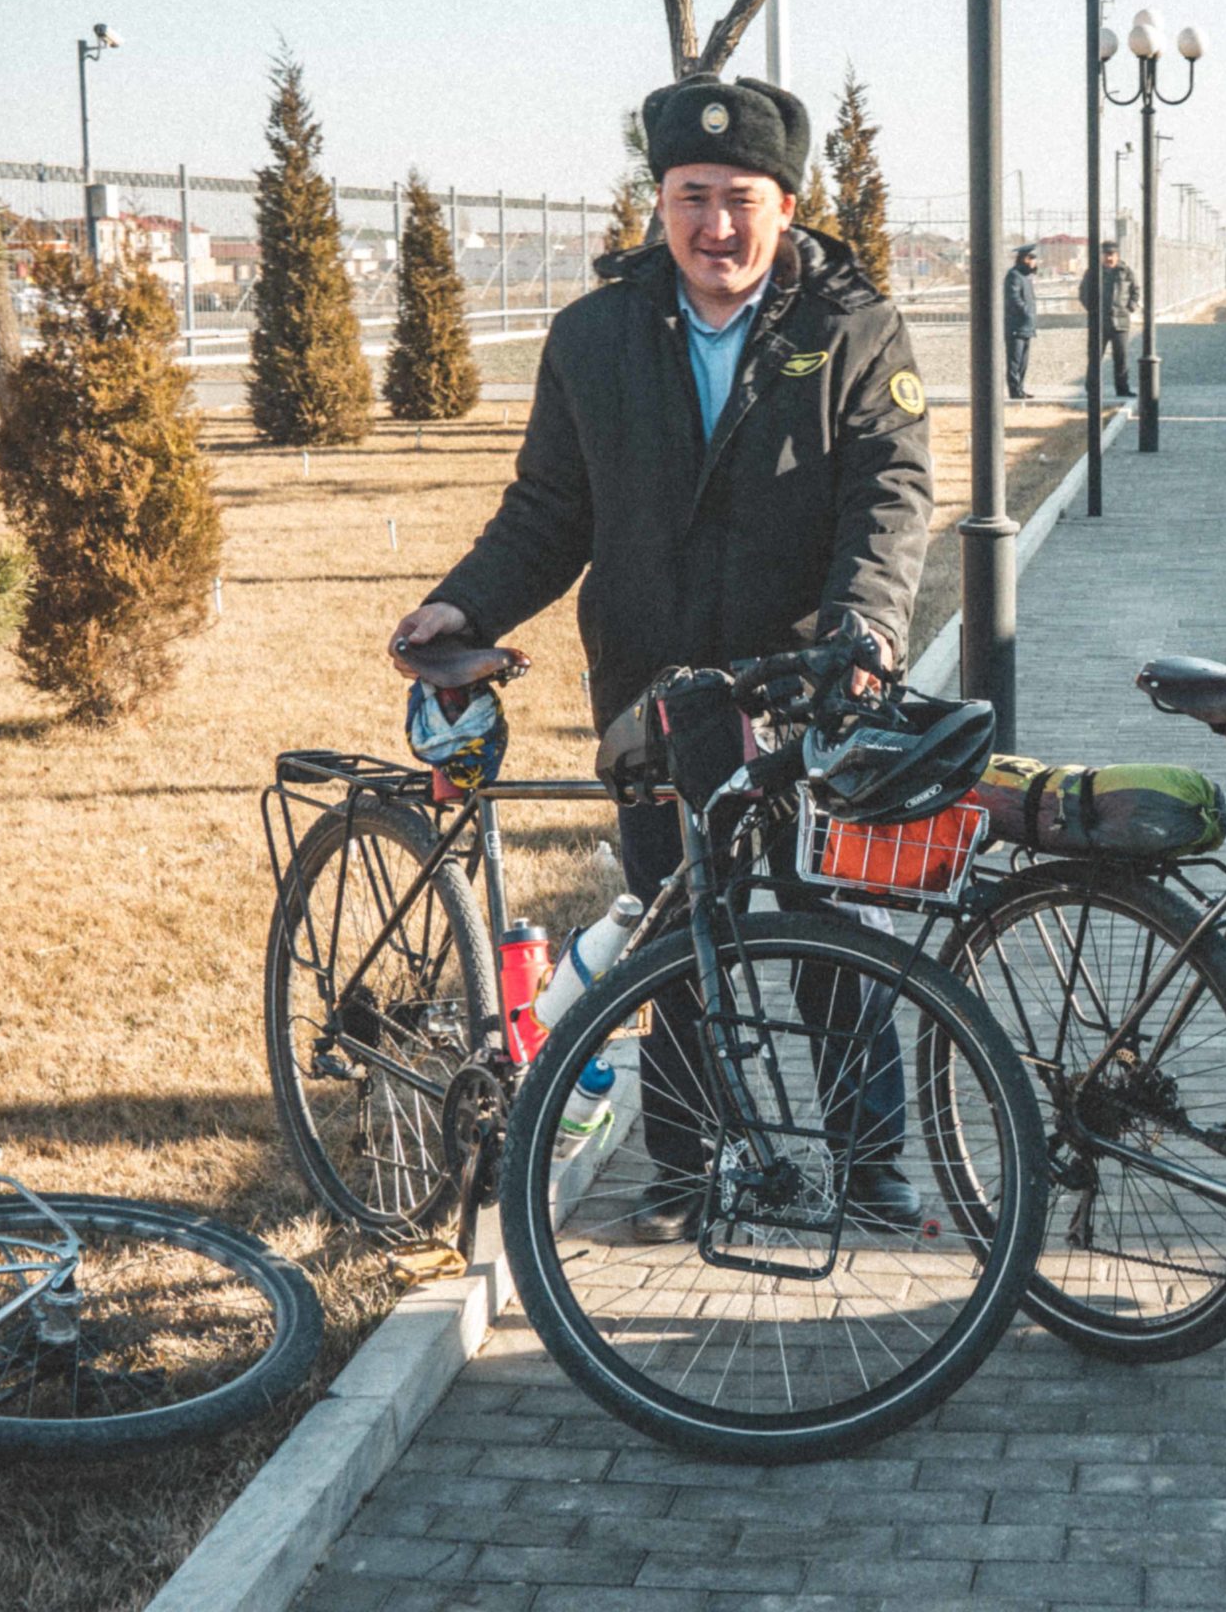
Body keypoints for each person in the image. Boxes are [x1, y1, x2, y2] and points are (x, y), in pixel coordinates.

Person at [389, 75, 935, 1242]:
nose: (716, 226)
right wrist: (462, 600)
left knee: (833, 927)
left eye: (740, 198)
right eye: (692, 196)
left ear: (786, 205)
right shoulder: (596, 336)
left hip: (800, 687)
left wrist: (865, 629)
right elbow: (548, 511)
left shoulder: (851, 327)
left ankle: (874, 1164)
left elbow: (887, 498)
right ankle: (682, 1172)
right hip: (650, 691)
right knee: (671, 932)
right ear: (661, 200)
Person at [1078, 240, 1140, 399]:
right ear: (1101, 256)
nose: (1109, 258)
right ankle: (1092, 390)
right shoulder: (1092, 272)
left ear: (1117, 256)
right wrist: (1093, 311)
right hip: (1099, 323)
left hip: (1120, 322)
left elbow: (1135, 291)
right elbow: (1083, 293)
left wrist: (1130, 307)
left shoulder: (1126, 271)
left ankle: (1122, 389)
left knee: (1121, 358)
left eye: (1112, 255)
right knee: (1095, 358)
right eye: (1106, 255)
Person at [1004, 241, 1040, 399]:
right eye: (1031, 258)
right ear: (1024, 259)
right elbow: (1014, 299)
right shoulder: (1014, 276)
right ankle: (1014, 390)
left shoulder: (1026, 277)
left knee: (1023, 362)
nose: (1034, 262)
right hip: (1016, 326)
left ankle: (1020, 388)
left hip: (1026, 326)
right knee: (1015, 361)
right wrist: (1027, 313)